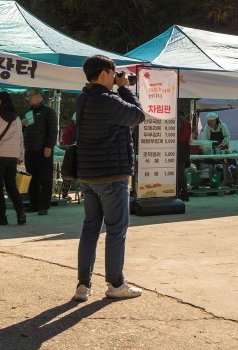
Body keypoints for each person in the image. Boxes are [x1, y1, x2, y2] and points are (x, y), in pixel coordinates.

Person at [72, 55, 146, 302]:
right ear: (104, 74)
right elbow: (137, 116)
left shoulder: (82, 99)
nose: (116, 78)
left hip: (88, 175)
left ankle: (83, 285)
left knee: (90, 228)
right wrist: (125, 89)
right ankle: (115, 283)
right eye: (114, 74)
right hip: (112, 176)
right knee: (116, 229)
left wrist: (120, 88)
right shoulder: (109, 100)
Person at [0, 91, 26, 226]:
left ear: (1, 101)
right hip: (12, 157)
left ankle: (1, 216)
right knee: (11, 186)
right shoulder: (17, 119)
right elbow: (20, 139)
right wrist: (20, 155)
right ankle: (21, 214)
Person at [21, 87, 58, 215]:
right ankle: (34, 204)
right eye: (27, 96)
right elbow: (24, 131)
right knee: (32, 178)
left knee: (45, 179)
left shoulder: (48, 111)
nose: (28, 98)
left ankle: (44, 206)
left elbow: (53, 131)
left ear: (38, 96)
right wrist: (22, 125)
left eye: (29, 95)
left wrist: (49, 146)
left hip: (43, 150)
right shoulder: (28, 112)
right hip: (30, 150)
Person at [177, 112, 191, 202]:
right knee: (181, 172)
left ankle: (184, 194)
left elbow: (177, 135)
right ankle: (181, 192)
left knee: (179, 172)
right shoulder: (187, 122)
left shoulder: (179, 122)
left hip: (179, 146)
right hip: (185, 146)